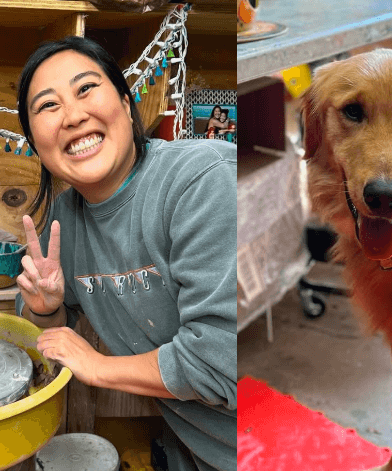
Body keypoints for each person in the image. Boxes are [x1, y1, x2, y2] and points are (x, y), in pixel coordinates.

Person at [14, 36, 236, 471]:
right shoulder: (64, 218)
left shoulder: (203, 180)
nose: (74, 116)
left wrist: (97, 367)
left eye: (85, 89)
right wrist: (46, 310)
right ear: (34, 142)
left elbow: (221, 362)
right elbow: (43, 321)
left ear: (126, 102)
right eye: (48, 106)